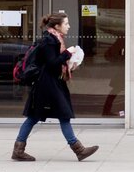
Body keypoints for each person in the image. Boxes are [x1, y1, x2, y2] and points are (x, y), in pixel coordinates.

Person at [11, 12, 99, 162]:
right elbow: (52, 63)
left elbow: (54, 63)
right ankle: (79, 150)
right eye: (66, 24)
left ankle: (18, 150)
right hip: (47, 85)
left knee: (37, 116)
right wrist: (67, 53)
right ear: (57, 26)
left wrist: (69, 63)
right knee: (58, 115)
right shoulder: (49, 40)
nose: (68, 26)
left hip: (51, 83)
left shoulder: (54, 39)